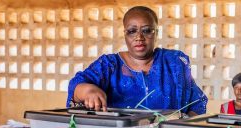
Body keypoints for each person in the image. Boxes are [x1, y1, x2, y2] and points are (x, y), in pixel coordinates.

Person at [67, 6, 207, 116]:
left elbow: (197, 102)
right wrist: (88, 91)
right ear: (125, 34)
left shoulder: (173, 63)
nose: (139, 37)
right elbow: (76, 87)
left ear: (156, 33)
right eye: (132, 31)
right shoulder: (109, 65)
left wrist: (183, 125)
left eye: (146, 31)